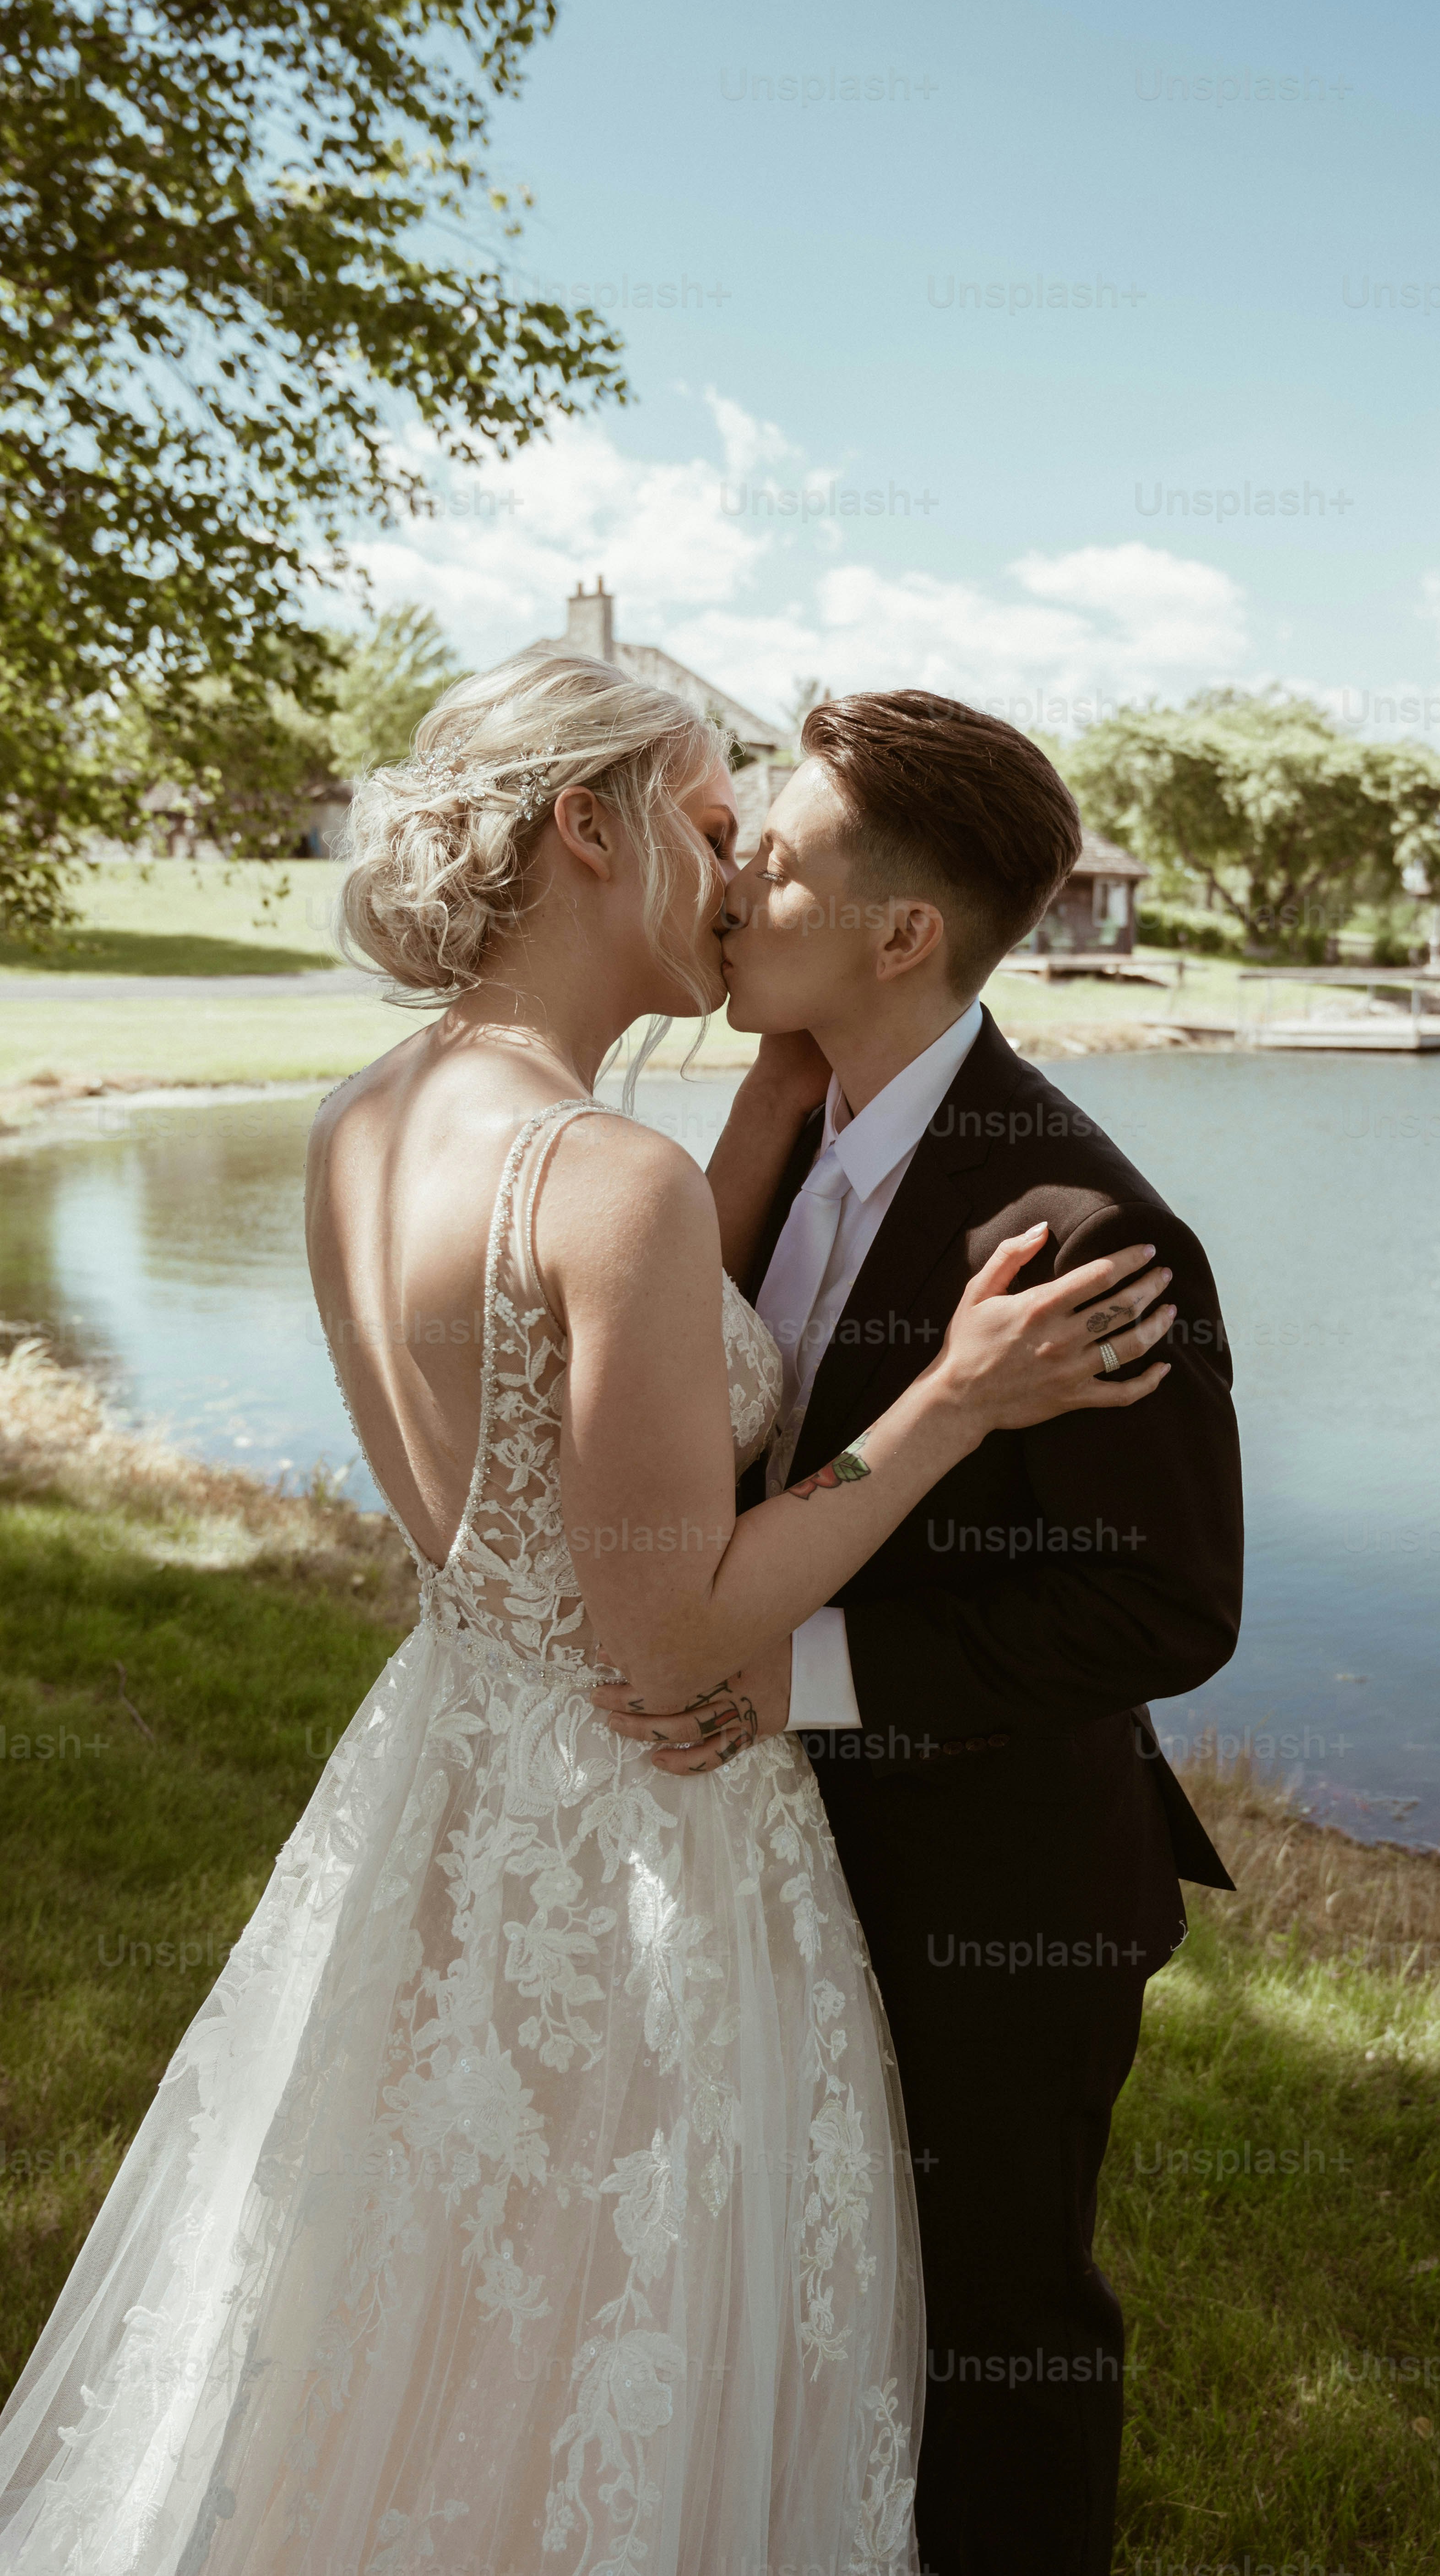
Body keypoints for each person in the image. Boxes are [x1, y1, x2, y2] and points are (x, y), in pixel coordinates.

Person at [0, 652, 1178, 2576]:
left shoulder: (369, 1125)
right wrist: (950, 1400)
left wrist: (784, 1081)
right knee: (625, 2321)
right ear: (589, 827)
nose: (731, 878)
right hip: (641, 1826)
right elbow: (668, 1630)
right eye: (716, 826)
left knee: (435, 2305)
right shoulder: (605, 1178)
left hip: (460, 1787)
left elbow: (590, 1386)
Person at [590, 690, 1242, 2576]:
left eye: (769, 859)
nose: (727, 886)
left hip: (998, 1884)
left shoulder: (1081, 1217)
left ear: (904, 935)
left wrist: (791, 1675)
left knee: (998, 2330)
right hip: (780, 1860)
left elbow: (1167, 1601)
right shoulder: (792, 1118)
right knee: (820, 2287)